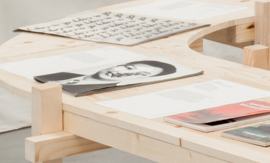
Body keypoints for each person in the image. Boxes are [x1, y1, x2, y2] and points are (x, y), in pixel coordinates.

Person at [35, 59, 177, 95]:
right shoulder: (60, 74)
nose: (124, 73)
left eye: (139, 74)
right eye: (129, 68)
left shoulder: (97, 95)